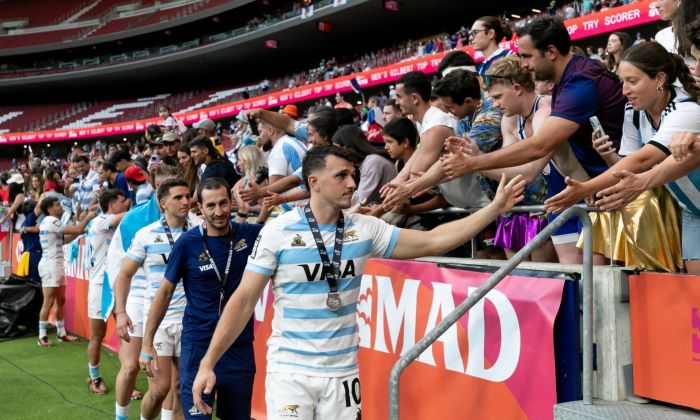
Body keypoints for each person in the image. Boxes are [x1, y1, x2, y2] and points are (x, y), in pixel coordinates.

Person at [190, 146, 526, 419]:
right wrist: (208, 362)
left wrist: (494, 208)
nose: (352, 183)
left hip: (344, 375)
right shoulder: (278, 231)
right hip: (290, 374)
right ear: (315, 183)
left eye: (354, 174)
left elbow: (435, 241)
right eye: (342, 175)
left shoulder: (364, 228)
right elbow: (243, 300)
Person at [544, 42, 700, 273]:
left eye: (632, 81)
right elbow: (628, 168)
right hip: (692, 210)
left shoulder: (687, 110)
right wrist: (609, 156)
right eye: (622, 81)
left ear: (659, 79)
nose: (624, 90)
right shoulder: (633, 113)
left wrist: (586, 188)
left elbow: (642, 161)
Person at [140, 178, 263, 420]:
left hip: (237, 348)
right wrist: (147, 343)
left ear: (232, 202)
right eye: (211, 206)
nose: (219, 212)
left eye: (224, 203)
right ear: (201, 208)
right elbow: (164, 293)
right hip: (198, 346)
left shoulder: (251, 236)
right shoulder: (187, 243)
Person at [114, 179, 201, 420]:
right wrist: (121, 312)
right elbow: (124, 275)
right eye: (178, 197)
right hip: (159, 322)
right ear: (163, 203)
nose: (186, 201)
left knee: (182, 388)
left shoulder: (199, 229)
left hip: (190, 321)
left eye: (187, 196)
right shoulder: (146, 235)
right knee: (160, 389)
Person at [109, 165, 178, 420]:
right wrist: (120, 310)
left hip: (172, 302)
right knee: (129, 367)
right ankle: (121, 416)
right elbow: (120, 270)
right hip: (139, 296)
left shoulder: (188, 220)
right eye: (163, 187)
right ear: (155, 188)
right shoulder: (134, 219)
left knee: (171, 379)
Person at [86, 189, 129, 394]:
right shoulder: (100, 221)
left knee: (124, 336)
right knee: (97, 337)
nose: (126, 204)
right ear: (111, 206)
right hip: (98, 288)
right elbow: (129, 215)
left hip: (116, 287)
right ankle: (94, 378)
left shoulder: (114, 224)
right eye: (122, 201)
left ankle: (127, 381)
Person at [37, 196, 95, 347]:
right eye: (56, 205)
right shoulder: (51, 221)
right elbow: (76, 229)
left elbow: (63, 240)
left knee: (60, 300)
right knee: (48, 301)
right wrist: (87, 218)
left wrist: (81, 231)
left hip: (56, 264)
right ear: (49, 209)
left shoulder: (48, 223)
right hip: (50, 265)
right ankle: (42, 336)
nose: (59, 207)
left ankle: (61, 333)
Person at [331, 125, 397, 206]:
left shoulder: (372, 162)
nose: (335, 155)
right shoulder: (363, 164)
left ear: (347, 148)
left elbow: (360, 200)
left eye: (337, 150)